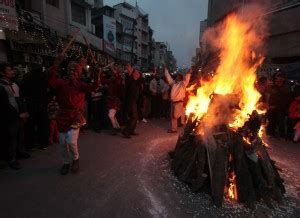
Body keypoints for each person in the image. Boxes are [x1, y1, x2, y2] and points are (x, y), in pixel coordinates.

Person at [48, 55, 100, 175]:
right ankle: (66, 162)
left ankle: (75, 159)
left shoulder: (80, 85)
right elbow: (51, 82)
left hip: (75, 116)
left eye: (74, 70)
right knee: (62, 143)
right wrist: (55, 66)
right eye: (70, 70)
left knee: (71, 141)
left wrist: (96, 75)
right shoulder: (61, 83)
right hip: (62, 116)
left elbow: (95, 87)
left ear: (78, 73)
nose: (72, 72)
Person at [0, 63, 29, 170]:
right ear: (2, 73)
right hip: (9, 117)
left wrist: (24, 111)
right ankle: (11, 159)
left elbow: (20, 99)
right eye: (9, 70)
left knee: (19, 134)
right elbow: (4, 105)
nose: (12, 71)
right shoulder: (2, 86)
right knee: (11, 138)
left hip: (18, 115)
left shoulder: (15, 84)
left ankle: (20, 152)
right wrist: (17, 115)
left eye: (12, 70)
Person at [21, 65, 49, 149]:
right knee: (43, 124)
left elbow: (23, 91)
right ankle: (43, 143)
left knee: (30, 124)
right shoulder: (43, 76)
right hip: (41, 103)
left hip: (31, 103)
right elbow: (46, 89)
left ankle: (29, 144)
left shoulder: (27, 76)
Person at [164, 67, 192, 133]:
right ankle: (174, 129)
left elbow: (186, 80)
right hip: (172, 102)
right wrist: (166, 70)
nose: (176, 78)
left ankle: (181, 119)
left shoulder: (182, 84)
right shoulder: (173, 83)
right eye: (176, 77)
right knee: (172, 117)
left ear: (180, 78)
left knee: (175, 115)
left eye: (178, 77)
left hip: (179, 103)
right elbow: (169, 78)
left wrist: (188, 73)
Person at [267, 73, 292, 138]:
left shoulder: (286, 88)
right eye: (277, 78)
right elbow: (271, 96)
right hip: (272, 108)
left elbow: (286, 100)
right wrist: (270, 105)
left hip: (281, 108)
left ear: (283, 79)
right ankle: (271, 134)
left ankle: (282, 136)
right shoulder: (274, 87)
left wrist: (276, 106)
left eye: (280, 78)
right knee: (271, 121)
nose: (278, 79)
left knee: (280, 121)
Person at [122, 64, 141, 138]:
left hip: (134, 100)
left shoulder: (136, 80)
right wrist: (130, 73)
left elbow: (140, 79)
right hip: (130, 100)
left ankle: (131, 130)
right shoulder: (128, 77)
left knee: (135, 117)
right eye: (136, 74)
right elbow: (127, 83)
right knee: (133, 116)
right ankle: (126, 131)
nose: (137, 75)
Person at [107, 64, 122, 135]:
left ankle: (115, 128)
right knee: (113, 115)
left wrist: (112, 68)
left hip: (114, 101)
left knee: (111, 115)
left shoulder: (117, 80)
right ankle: (117, 127)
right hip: (111, 100)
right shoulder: (112, 81)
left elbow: (117, 77)